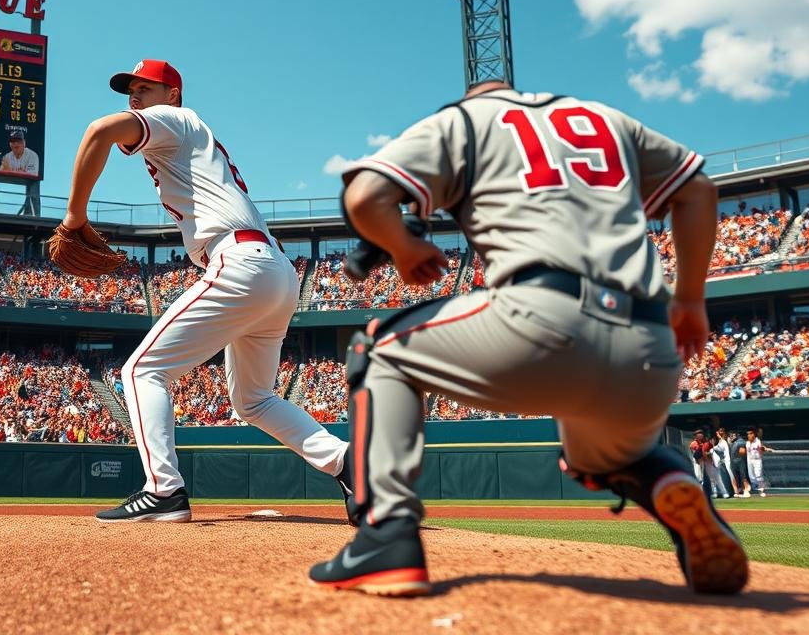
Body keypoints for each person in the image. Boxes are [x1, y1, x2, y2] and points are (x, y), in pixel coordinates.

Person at [309, 80, 747, 596]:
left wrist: (404, 250)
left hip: (542, 318)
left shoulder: (465, 120)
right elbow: (698, 189)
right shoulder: (604, 117)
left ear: (475, 96)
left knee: (375, 349)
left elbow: (364, 197)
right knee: (602, 458)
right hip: (650, 345)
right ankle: (667, 481)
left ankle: (386, 537)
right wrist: (691, 301)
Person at [63, 59, 351, 523]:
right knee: (253, 399)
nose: (134, 96)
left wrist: (74, 218)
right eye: (130, 89)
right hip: (274, 270)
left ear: (172, 95)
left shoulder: (178, 119)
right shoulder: (184, 143)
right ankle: (346, 461)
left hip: (241, 262)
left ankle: (164, 492)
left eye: (146, 87)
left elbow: (99, 130)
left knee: (141, 369)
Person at [744, 428, 773, 497]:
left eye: (750, 434)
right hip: (749, 460)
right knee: (751, 476)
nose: (749, 435)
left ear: (754, 434)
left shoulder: (757, 441)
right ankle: (755, 489)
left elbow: (762, 448)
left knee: (758, 475)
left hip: (757, 460)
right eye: (748, 434)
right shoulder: (747, 443)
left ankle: (761, 491)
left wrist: (766, 449)